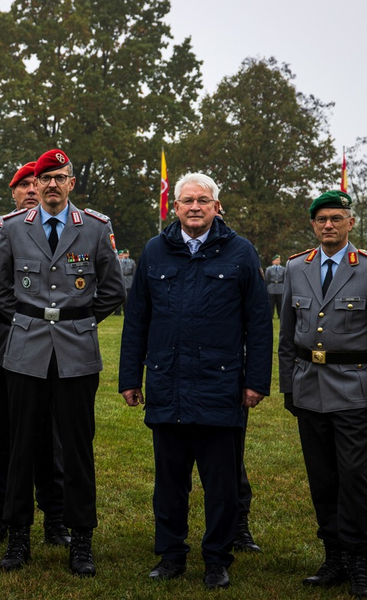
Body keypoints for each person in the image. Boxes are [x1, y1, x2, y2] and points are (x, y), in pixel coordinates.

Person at [118, 172, 272, 590]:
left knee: (221, 485)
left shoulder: (240, 253)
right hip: (167, 385)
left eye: (203, 200)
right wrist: (131, 377)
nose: (194, 207)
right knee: (169, 482)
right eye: (187, 201)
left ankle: (217, 559)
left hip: (220, 388)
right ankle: (170, 555)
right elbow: (137, 321)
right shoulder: (155, 252)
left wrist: (256, 381)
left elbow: (259, 324)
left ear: (217, 207)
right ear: (176, 207)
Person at [0, 148, 126, 577]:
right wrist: (27, 321)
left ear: (71, 183)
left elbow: (112, 290)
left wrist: (78, 321)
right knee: (20, 445)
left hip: (76, 351)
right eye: (44, 178)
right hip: (25, 351)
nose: (50, 185)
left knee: (78, 450)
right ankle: (18, 537)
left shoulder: (95, 229)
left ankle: (80, 538)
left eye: (59, 177)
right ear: (37, 183)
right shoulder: (13, 228)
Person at [279, 190, 367, 598]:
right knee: (322, 480)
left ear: (351, 222)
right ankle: (334, 557)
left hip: (354, 391)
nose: (328, 225)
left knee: (353, 478)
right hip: (308, 388)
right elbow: (286, 336)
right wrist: (286, 387)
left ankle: (360, 561)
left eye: (336, 218)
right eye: (321, 220)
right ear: (312, 225)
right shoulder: (298, 267)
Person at [0, 162, 69, 548]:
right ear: (12, 191)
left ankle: (55, 516)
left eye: (38, 183)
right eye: (24, 185)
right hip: (0, 344)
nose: (32, 189)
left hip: (49, 347)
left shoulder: (64, 227)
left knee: (51, 437)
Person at [114, 249, 136, 315]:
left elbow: (134, 273)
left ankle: (127, 311)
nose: (125, 255)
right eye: (124, 254)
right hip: (122, 281)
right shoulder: (119, 262)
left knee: (128, 297)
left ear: (128, 254)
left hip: (129, 281)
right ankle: (118, 312)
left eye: (127, 254)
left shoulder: (132, 262)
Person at [264, 254, 286, 318]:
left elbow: (285, 278)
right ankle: (271, 315)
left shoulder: (283, 269)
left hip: (280, 287)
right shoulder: (269, 269)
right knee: (271, 303)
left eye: (278, 260)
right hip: (271, 288)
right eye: (275, 260)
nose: (277, 261)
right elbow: (267, 278)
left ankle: (280, 315)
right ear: (273, 261)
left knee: (280, 303)